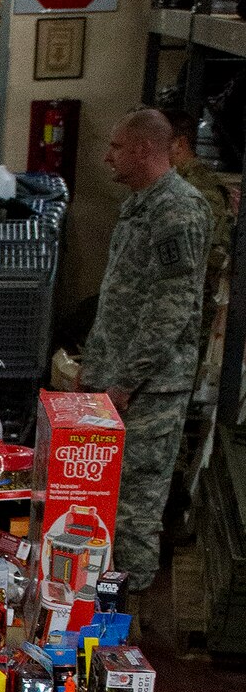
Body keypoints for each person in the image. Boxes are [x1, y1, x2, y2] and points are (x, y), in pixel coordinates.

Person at [78, 109, 211, 595]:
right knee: (102, 497)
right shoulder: (140, 204)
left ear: (141, 149)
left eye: (116, 146)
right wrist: (95, 369)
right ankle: (94, 600)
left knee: (134, 506)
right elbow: (121, 298)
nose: (108, 156)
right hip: (116, 381)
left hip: (149, 390)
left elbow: (170, 309)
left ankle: (126, 612)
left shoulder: (178, 210)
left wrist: (126, 381)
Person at [167, 108, 233, 363]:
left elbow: (212, 255)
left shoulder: (200, 189)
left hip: (186, 308)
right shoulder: (175, 183)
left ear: (179, 144)